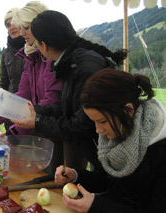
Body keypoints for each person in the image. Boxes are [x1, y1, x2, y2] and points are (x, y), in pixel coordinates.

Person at [12, 10, 127, 171]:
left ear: (43, 45)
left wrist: (37, 121)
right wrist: (35, 112)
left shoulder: (85, 67)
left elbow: (82, 124)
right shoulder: (71, 62)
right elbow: (67, 107)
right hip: (96, 148)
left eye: (37, 43)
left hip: (108, 151)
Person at [55, 68, 166, 212]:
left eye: (101, 121)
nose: (98, 130)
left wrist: (97, 206)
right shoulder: (117, 132)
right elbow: (107, 180)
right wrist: (76, 176)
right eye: (94, 122)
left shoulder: (161, 152)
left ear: (128, 110)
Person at [0, 2, 61, 136]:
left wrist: (15, 130)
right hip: (38, 125)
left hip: (56, 128)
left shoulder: (50, 56)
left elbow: (52, 101)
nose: (21, 32)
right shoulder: (31, 57)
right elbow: (22, 95)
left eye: (25, 27)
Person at [0, 7, 26, 131]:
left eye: (14, 23)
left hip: (33, 110)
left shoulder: (33, 49)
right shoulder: (5, 54)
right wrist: (0, 112)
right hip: (11, 110)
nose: (11, 27)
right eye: (8, 25)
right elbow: (3, 84)